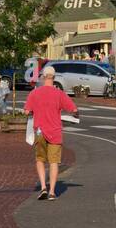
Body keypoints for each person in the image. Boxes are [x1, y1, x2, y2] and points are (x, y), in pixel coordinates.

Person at [25, 64, 78, 201]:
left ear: (43, 78)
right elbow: (73, 109)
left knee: (40, 159)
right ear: (54, 78)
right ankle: (52, 191)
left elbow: (27, 111)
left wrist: (34, 111)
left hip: (39, 131)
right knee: (54, 162)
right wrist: (75, 115)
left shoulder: (34, 93)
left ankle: (43, 187)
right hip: (54, 131)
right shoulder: (59, 94)